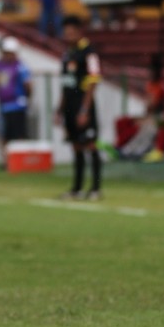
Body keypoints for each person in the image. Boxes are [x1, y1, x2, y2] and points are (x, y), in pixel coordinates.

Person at [57, 16, 102, 199]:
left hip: (84, 105)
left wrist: (84, 110)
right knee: (76, 146)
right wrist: (60, 110)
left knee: (90, 145)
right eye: (66, 33)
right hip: (70, 106)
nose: (68, 36)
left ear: (79, 32)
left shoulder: (89, 53)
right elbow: (65, 83)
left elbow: (93, 82)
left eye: (71, 33)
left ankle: (96, 189)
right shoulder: (68, 54)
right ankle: (76, 189)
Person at [0, 36, 32, 163]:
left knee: (19, 133)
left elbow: (28, 85)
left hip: (17, 104)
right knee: (5, 133)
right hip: (4, 104)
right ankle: (7, 161)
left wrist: (27, 98)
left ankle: (20, 160)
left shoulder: (20, 66)